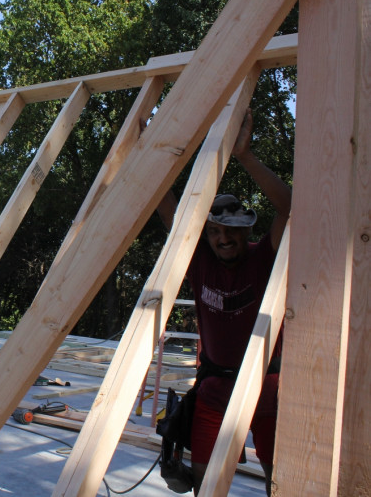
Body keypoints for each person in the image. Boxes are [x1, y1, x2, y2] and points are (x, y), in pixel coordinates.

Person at [154, 109, 291, 496]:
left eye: (231, 230)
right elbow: (169, 209)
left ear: (246, 228)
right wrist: (154, 146)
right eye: (214, 232)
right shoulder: (199, 262)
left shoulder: (264, 257)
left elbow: (290, 208)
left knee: (278, 480)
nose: (223, 239)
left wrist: (245, 156)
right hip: (215, 388)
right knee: (206, 485)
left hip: (268, 388)